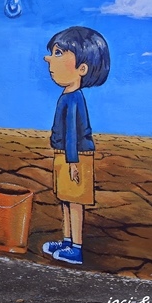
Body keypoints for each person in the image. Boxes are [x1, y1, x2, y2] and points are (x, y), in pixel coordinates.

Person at [41, 26, 110, 265]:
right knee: (65, 198)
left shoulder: (74, 98)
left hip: (76, 155)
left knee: (75, 202)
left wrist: (73, 162)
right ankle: (67, 240)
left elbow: (72, 133)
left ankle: (76, 248)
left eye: (59, 53)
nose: (49, 58)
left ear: (82, 68)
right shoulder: (67, 95)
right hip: (65, 154)